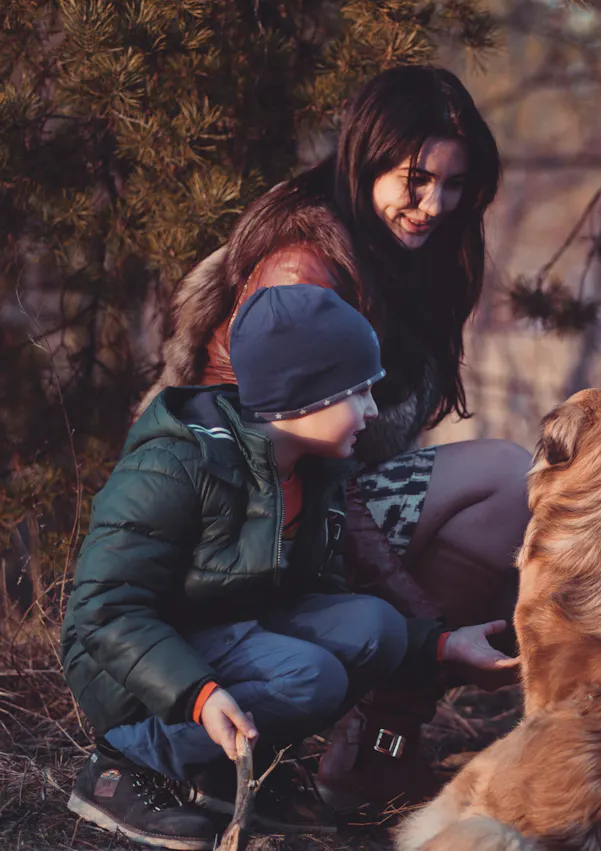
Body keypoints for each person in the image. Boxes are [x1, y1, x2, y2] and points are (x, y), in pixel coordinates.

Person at [137, 65, 530, 804]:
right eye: (414, 179)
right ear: (365, 157)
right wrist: (430, 631)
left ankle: (381, 746)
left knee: (515, 485)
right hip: (248, 530)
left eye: (451, 185)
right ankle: (357, 741)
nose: (432, 205)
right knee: (507, 479)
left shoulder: (409, 257)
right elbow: (283, 473)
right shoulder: (303, 268)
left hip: (322, 505)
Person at [63, 285, 518, 850]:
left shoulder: (311, 470)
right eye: (358, 393)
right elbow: (103, 609)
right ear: (299, 399)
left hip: (227, 639)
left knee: (374, 628)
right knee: (310, 675)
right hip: (133, 678)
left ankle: (231, 773)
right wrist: (198, 694)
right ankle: (121, 767)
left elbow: (324, 601)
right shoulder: (176, 464)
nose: (373, 411)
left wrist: (443, 645)